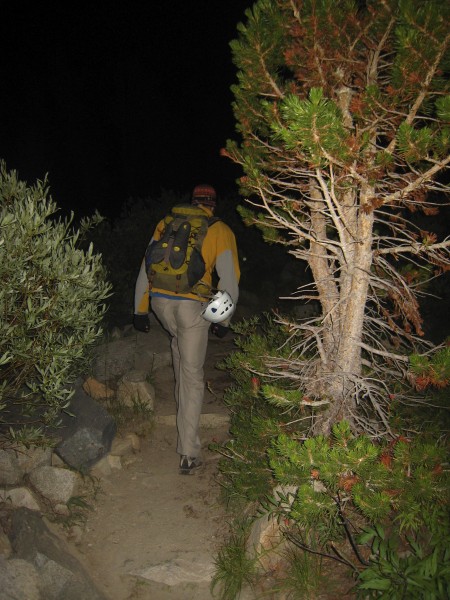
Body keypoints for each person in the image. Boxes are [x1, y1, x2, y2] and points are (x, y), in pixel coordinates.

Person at [133, 183, 240, 474]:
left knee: (181, 355)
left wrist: (140, 310)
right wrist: (223, 321)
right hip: (191, 308)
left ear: (191, 202)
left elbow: (146, 267)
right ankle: (189, 453)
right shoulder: (219, 229)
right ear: (213, 204)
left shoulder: (166, 223)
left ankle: (184, 428)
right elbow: (229, 281)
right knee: (192, 377)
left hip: (160, 304)